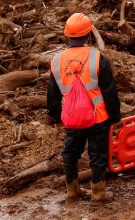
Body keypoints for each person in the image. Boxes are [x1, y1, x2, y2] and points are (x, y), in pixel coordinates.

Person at [47, 13, 121, 202]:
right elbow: (110, 92)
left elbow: (52, 95)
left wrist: (55, 118)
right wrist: (115, 117)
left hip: (72, 119)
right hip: (98, 118)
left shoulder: (56, 62)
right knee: (97, 155)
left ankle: (72, 190)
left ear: (67, 36)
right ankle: (98, 193)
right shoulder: (97, 57)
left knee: (70, 153)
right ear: (88, 35)